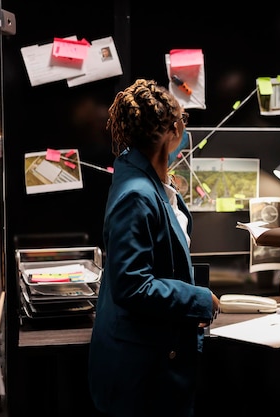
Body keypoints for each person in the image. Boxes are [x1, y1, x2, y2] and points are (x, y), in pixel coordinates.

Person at [88, 78, 220, 417]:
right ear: (174, 129)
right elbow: (132, 285)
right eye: (184, 120)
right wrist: (199, 299)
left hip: (158, 355)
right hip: (141, 374)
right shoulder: (136, 194)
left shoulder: (154, 183)